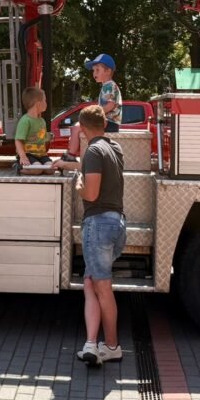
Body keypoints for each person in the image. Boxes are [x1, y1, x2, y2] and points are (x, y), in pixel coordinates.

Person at [54, 105, 125, 366]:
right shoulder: (114, 148)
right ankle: (92, 343)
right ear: (104, 124)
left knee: (102, 287)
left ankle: (112, 346)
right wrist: (72, 165)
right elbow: (91, 167)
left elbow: (91, 194)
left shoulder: (93, 151)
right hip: (116, 222)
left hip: (98, 224)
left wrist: (78, 185)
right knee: (90, 282)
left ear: (82, 130)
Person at [64, 53, 122, 160]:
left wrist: (95, 113)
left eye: (97, 70)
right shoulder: (107, 86)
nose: (94, 73)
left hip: (109, 123)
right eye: (93, 70)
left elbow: (111, 105)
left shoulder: (109, 86)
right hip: (108, 122)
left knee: (77, 127)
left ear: (108, 71)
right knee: (79, 127)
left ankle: (70, 155)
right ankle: (74, 152)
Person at [15, 87, 52, 174]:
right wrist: (23, 156)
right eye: (45, 101)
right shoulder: (25, 121)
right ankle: (19, 167)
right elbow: (18, 140)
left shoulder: (42, 121)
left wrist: (48, 137)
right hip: (28, 154)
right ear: (38, 104)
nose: (46, 103)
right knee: (37, 169)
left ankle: (38, 167)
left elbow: (41, 137)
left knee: (51, 169)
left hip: (41, 155)